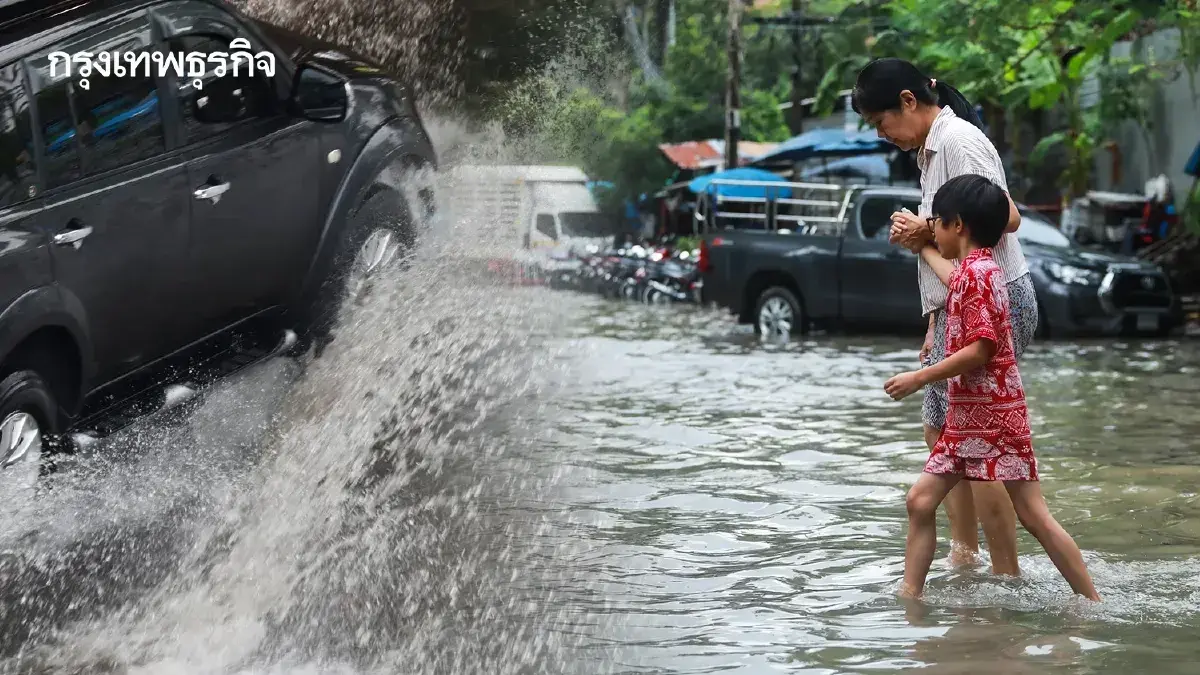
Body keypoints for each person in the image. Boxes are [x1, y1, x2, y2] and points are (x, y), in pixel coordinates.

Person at [851, 57, 1035, 577]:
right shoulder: (929, 150)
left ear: (908, 102)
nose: (881, 133)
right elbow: (951, 238)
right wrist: (935, 318)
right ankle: (965, 555)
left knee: (974, 446)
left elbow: (1007, 218)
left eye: (880, 121)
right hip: (958, 306)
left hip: (993, 303)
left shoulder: (958, 141)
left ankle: (1004, 573)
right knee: (943, 439)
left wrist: (923, 233)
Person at [884, 174, 1100, 602]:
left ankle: (1091, 603)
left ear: (958, 225)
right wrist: (924, 247)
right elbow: (954, 279)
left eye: (937, 223)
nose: (935, 230)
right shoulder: (975, 270)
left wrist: (919, 378)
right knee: (920, 501)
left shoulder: (980, 276)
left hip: (996, 418)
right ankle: (909, 598)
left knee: (1034, 516)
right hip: (968, 418)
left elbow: (981, 349)